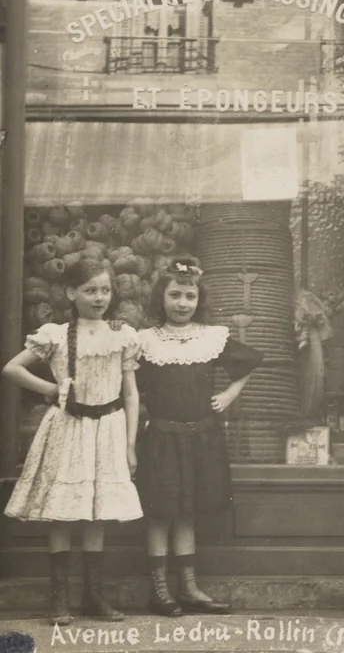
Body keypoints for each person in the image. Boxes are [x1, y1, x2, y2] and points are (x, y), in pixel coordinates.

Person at [3, 259, 142, 625]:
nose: (99, 298)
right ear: (71, 293)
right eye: (90, 290)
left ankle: (93, 596)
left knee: (96, 513)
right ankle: (59, 599)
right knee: (64, 513)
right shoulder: (55, 334)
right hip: (68, 428)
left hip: (108, 429)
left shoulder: (122, 335)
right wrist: (54, 389)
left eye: (105, 290)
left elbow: (130, 394)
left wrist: (129, 444)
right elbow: (11, 369)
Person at [136, 256, 263, 616]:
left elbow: (249, 363)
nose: (181, 304)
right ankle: (160, 590)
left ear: (198, 299)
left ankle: (189, 588)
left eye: (189, 296)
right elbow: (129, 386)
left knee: (187, 512)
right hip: (161, 439)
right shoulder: (145, 341)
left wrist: (228, 395)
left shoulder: (212, 337)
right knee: (161, 512)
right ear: (161, 297)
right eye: (174, 295)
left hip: (201, 439)